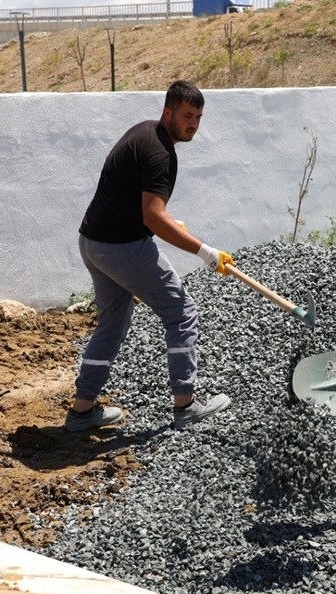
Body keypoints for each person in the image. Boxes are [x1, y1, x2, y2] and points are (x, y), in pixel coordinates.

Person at [65, 80, 233, 432]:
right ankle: (185, 406)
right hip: (123, 247)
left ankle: (81, 411)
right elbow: (151, 217)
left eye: (199, 117)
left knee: (112, 323)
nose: (193, 124)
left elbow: (141, 204)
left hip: (93, 242)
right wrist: (204, 252)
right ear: (168, 111)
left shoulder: (143, 132)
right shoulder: (161, 155)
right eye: (187, 115)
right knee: (182, 312)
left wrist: (169, 223)